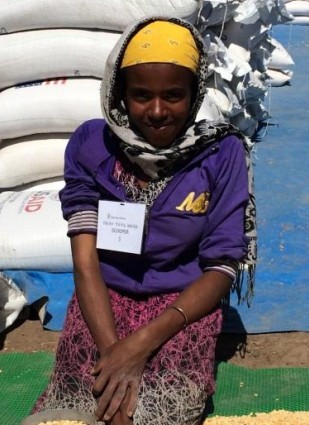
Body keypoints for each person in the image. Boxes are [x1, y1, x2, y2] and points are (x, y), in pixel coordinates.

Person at [32, 17, 257, 425]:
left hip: (180, 307)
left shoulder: (221, 153)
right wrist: (111, 353)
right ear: (120, 93)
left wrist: (139, 346)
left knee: (160, 411)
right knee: (85, 405)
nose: (156, 111)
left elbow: (222, 267)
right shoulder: (91, 145)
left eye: (174, 95)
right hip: (104, 299)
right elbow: (85, 263)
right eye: (140, 96)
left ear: (195, 92)